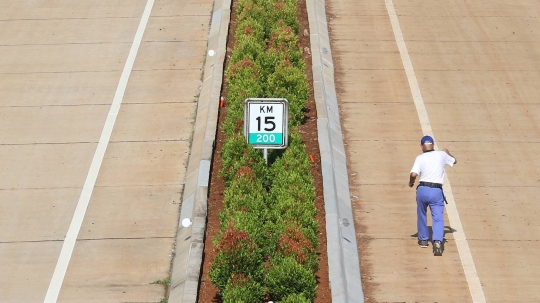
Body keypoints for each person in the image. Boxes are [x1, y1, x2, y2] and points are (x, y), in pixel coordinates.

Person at [408, 135, 457, 256]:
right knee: (438, 217)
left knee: (422, 214)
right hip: (436, 190)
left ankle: (423, 240)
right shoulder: (441, 155)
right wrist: (448, 153)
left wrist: (411, 182)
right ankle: (437, 242)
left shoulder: (420, 158)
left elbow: (414, 174)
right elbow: (454, 161)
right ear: (433, 145)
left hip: (423, 189)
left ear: (421, 146)